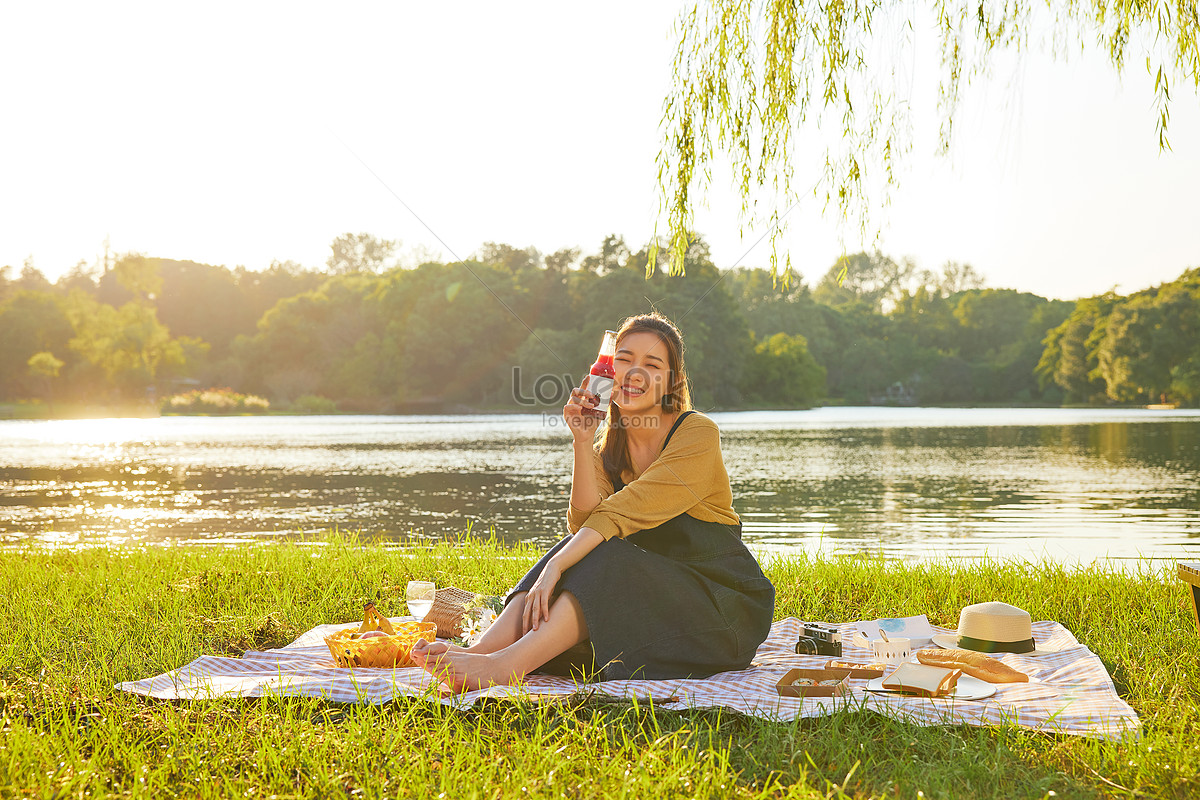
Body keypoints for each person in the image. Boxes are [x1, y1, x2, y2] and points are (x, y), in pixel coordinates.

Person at [411, 312, 775, 692]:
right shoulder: (609, 449)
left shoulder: (697, 433)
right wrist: (583, 441)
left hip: (720, 609)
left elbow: (622, 512)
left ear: (672, 381)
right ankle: (483, 653)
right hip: (648, 602)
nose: (634, 372)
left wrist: (557, 564)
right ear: (608, 370)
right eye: (624, 359)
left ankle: (505, 667)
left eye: (651, 364)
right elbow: (584, 522)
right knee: (584, 549)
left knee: (595, 554)